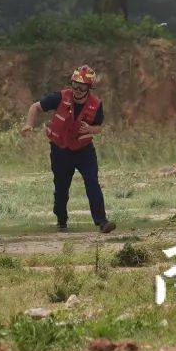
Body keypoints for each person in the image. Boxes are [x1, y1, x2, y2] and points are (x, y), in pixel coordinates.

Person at [21, 64, 114, 234]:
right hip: (60, 150)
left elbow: (99, 127)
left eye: (82, 87)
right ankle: (61, 220)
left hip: (83, 150)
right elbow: (35, 107)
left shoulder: (96, 104)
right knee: (61, 188)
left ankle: (102, 221)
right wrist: (28, 125)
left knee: (92, 181)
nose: (77, 90)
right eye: (75, 85)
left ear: (89, 88)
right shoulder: (60, 97)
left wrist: (90, 129)